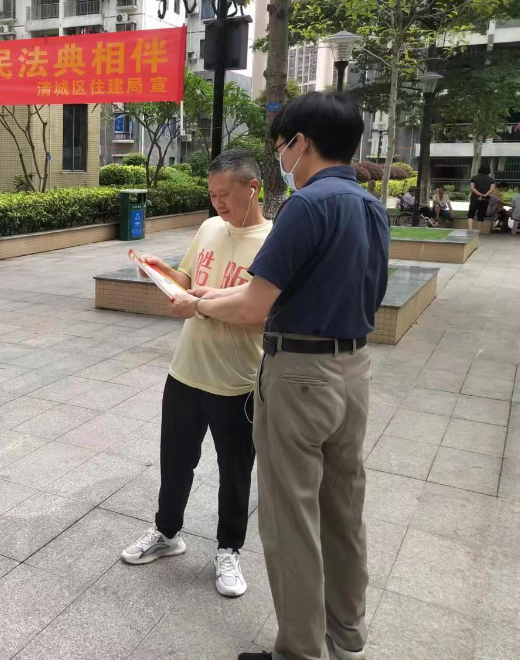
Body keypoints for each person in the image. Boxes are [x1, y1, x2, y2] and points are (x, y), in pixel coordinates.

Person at [174, 91, 389, 660]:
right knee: (343, 510)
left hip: (299, 376)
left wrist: (198, 304)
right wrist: (210, 296)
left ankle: (298, 650)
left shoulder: (306, 206)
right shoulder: (369, 205)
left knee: (291, 517)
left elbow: (255, 305)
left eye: (281, 146)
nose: (281, 158)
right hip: (353, 371)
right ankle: (346, 633)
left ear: (301, 142)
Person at [121, 150, 272, 600]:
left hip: (237, 381)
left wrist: (201, 306)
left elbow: (262, 318)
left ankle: (229, 550)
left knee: (235, 472)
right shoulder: (209, 228)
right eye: (212, 195)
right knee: (175, 461)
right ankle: (167, 532)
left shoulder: (273, 243)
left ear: (253, 188)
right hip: (186, 371)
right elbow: (187, 282)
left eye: (225, 195)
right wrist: (162, 272)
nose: (218, 203)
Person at [467, 164, 494, 230]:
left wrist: (479, 194)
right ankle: (478, 230)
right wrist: (485, 195)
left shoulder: (474, 178)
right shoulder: (491, 179)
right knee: (481, 214)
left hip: (475, 197)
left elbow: (472, 188)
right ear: (488, 170)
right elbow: (492, 189)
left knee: (471, 214)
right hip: (485, 198)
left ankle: (470, 228)